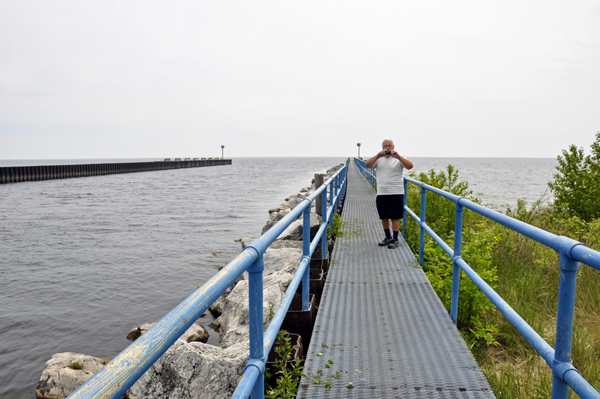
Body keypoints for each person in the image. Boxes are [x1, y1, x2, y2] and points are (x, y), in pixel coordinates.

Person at [365, 139, 414, 249]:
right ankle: (388, 237)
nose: (388, 148)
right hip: (382, 192)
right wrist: (378, 155)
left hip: (396, 191)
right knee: (384, 216)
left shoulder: (399, 158)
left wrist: (399, 157)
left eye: (390, 146)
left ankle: (395, 239)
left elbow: (410, 166)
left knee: (395, 217)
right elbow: (368, 164)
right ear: (382, 147)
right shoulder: (379, 158)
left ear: (393, 147)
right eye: (385, 146)